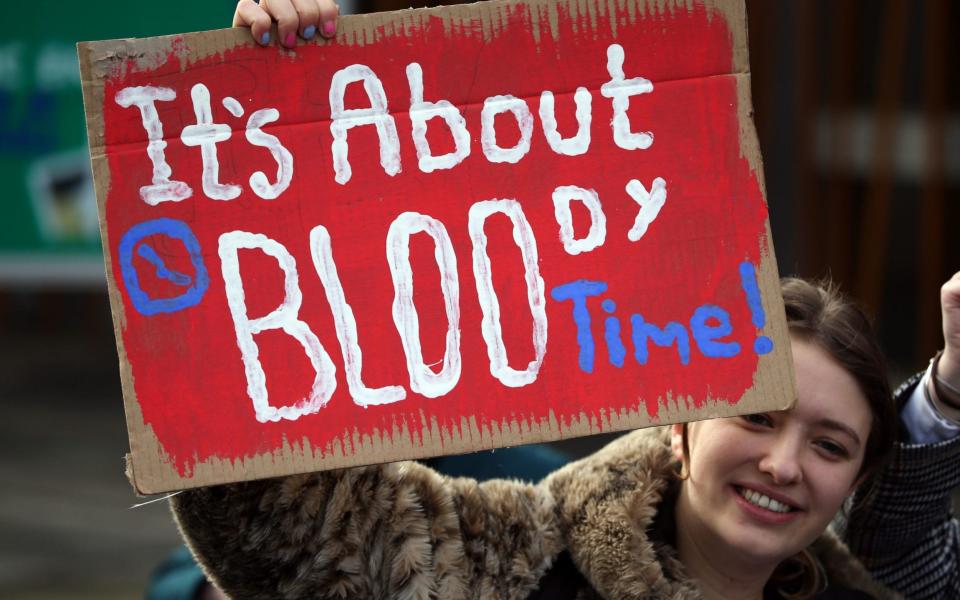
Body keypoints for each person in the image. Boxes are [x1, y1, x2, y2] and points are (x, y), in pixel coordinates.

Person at [168, 5, 960, 598]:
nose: (783, 465)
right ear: (682, 426)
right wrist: (275, 107)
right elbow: (289, 535)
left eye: (830, 447)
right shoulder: (513, 556)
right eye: (757, 417)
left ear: (857, 481)